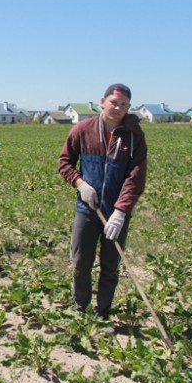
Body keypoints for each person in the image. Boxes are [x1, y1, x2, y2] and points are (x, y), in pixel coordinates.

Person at [58, 83, 147, 322]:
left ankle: (103, 311)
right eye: (114, 103)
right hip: (87, 209)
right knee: (80, 262)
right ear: (102, 102)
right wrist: (80, 184)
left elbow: (135, 177)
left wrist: (121, 211)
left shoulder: (133, 137)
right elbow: (65, 163)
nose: (118, 108)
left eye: (123, 104)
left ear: (129, 107)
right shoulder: (83, 130)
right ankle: (80, 307)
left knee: (110, 265)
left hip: (116, 213)